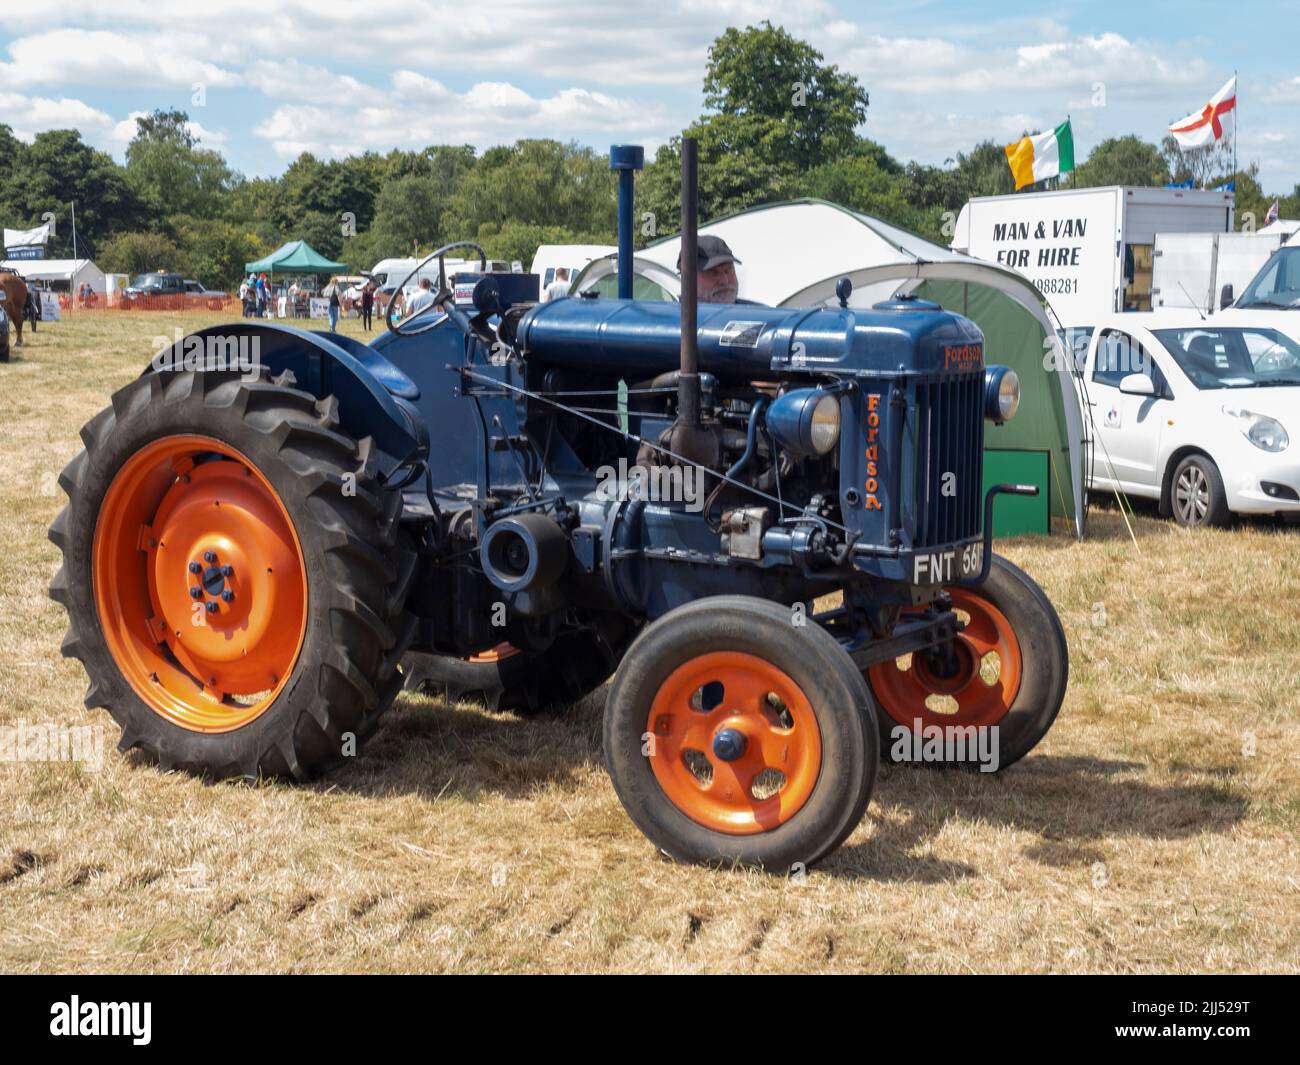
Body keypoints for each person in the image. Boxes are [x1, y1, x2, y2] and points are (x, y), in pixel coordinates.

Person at [678, 234, 741, 304]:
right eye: (712, 272)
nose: (724, 281)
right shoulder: (673, 314)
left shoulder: (751, 311)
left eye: (728, 270)